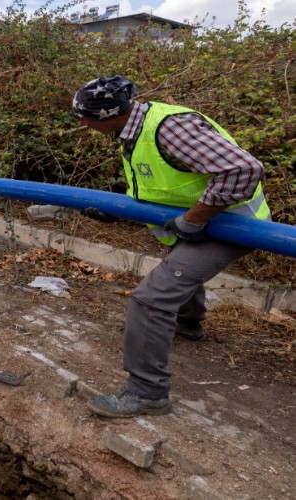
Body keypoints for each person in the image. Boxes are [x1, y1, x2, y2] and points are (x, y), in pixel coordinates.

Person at [72, 75, 270, 418]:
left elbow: (243, 169)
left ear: (107, 116)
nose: (82, 124)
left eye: (85, 117)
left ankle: (147, 392)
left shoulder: (169, 129)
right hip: (204, 223)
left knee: (151, 299)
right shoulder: (132, 129)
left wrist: (193, 220)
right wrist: (118, 213)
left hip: (233, 225)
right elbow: (163, 185)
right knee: (179, 270)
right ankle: (188, 325)